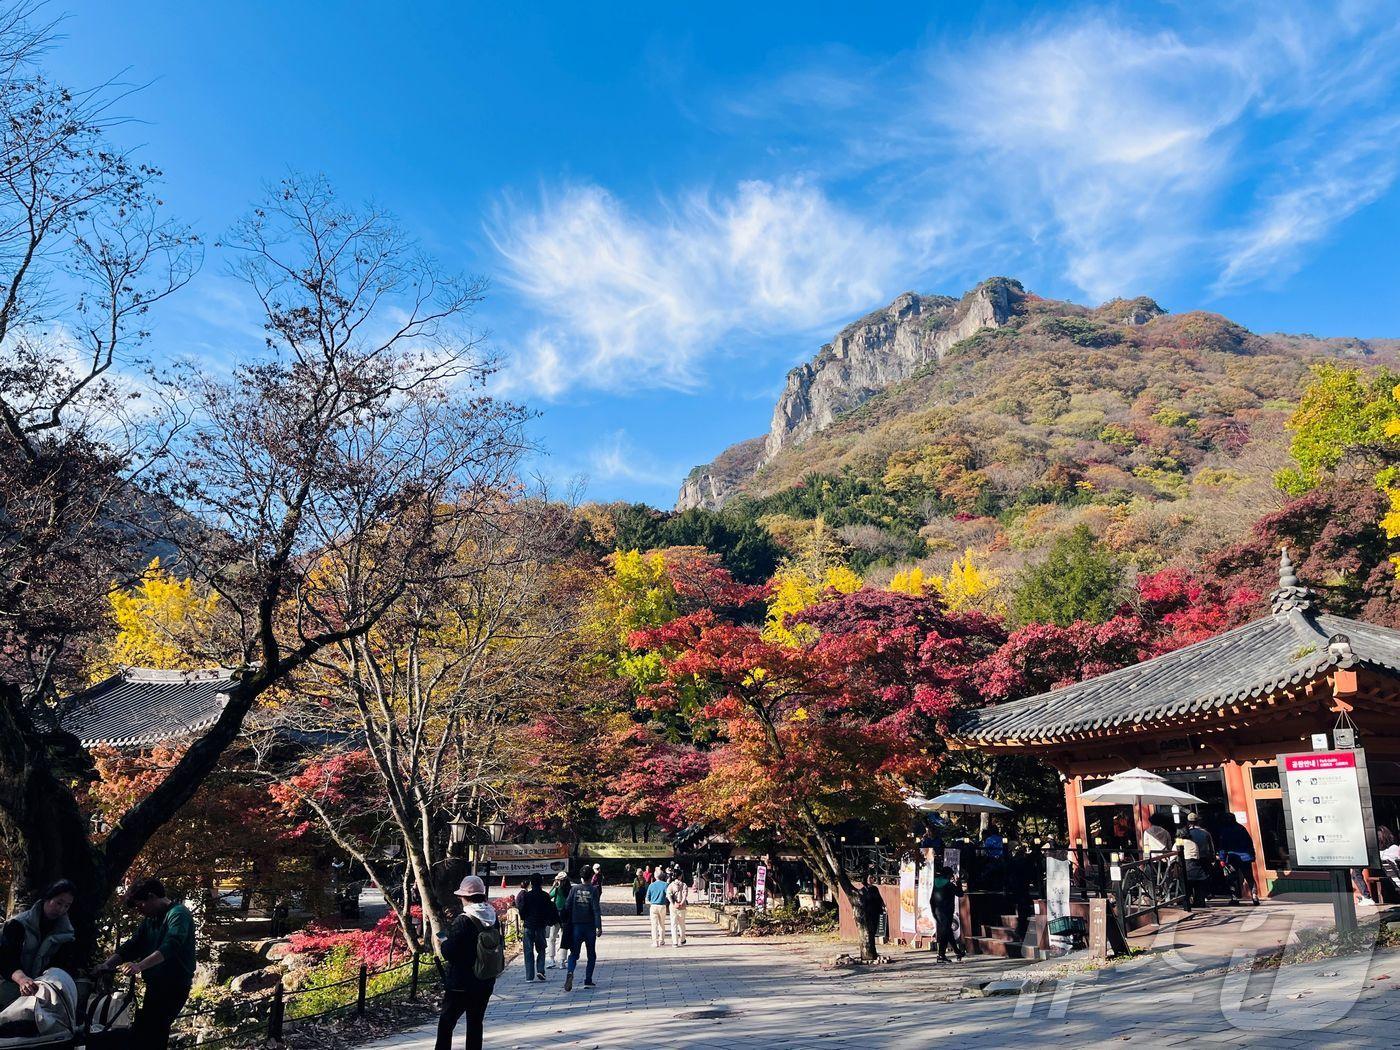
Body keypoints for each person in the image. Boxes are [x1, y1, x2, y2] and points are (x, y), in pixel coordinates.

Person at [96, 878, 196, 1049]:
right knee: (144, 1032)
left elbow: (171, 945)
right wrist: (108, 964)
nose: (139, 911)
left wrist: (139, 966)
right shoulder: (151, 919)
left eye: (140, 905)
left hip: (174, 986)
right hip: (155, 985)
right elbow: (133, 945)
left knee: (154, 1031)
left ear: (151, 897)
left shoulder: (178, 914)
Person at [436, 875, 503, 1050]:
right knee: (475, 1023)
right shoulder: (493, 917)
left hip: (461, 982)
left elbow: (450, 952)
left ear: (465, 897)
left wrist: (443, 941)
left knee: (446, 1023)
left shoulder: (463, 920)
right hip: (485, 979)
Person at [0, 880, 77, 1010]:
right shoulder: (17, 924)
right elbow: (6, 959)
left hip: (40, 990)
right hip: (9, 984)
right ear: (47, 898)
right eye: (58, 903)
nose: (61, 909)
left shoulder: (66, 934)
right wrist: (22, 979)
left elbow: (61, 966)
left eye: (67, 906)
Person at [562, 870, 602, 991]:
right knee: (591, 954)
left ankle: (570, 972)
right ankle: (588, 980)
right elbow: (596, 909)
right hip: (589, 926)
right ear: (591, 877)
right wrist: (598, 926)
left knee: (574, 953)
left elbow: (567, 905)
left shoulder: (574, 889)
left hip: (576, 925)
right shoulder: (593, 890)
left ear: (581, 877)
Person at [515, 873, 555, 983]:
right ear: (541, 882)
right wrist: (548, 921)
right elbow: (549, 910)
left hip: (528, 925)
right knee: (541, 948)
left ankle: (529, 976)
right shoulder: (545, 896)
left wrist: (524, 918)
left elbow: (522, 910)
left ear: (531, 883)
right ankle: (541, 970)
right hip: (541, 926)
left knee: (528, 951)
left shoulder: (526, 896)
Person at [1216, 813, 1259, 906]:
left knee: (1232, 878)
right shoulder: (1241, 828)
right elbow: (1249, 843)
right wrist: (1252, 855)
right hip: (1245, 857)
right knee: (1249, 877)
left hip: (1232, 858)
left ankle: (1234, 898)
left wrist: (1222, 858)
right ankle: (1254, 895)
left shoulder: (1225, 831)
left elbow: (1223, 846)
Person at [1177, 812, 1216, 907]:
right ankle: (1202, 898)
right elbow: (1211, 847)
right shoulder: (1205, 833)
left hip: (1189, 859)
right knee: (1202, 880)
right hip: (1204, 858)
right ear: (1198, 821)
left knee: (1191, 880)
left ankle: (1192, 900)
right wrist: (1213, 858)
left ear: (1188, 822)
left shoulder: (1186, 834)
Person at [930, 867, 964, 962]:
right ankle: (941, 956)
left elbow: (931, 898)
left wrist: (933, 911)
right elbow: (960, 893)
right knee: (945, 933)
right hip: (946, 912)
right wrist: (958, 882)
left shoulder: (935, 883)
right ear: (949, 875)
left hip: (937, 911)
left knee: (948, 932)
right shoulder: (949, 885)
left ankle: (957, 952)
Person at [857, 870, 885, 961]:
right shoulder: (862, 891)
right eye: (870, 877)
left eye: (873, 877)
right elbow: (860, 904)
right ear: (866, 879)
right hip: (867, 914)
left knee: (873, 931)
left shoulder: (875, 889)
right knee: (869, 931)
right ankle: (868, 951)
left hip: (875, 912)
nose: (872, 879)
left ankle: (873, 950)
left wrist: (883, 906)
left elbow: (880, 899)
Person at [547, 871, 571, 967]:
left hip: (556, 914)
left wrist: (553, 886)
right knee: (563, 937)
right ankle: (562, 961)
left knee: (552, 937)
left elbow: (548, 896)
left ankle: (552, 959)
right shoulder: (570, 890)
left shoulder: (557, 889)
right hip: (566, 915)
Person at [645, 866, 671, 948]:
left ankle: (655, 942)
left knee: (654, 925)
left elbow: (647, 897)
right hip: (662, 906)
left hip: (653, 906)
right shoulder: (666, 885)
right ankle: (662, 940)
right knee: (662, 924)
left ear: (655, 877)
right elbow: (668, 895)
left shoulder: (651, 885)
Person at [666, 868, 690, 947]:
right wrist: (681, 903)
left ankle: (675, 942)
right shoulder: (684, 885)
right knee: (682, 924)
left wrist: (673, 903)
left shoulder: (671, 885)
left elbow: (668, 895)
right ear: (680, 876)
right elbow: (685, 896)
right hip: (682, 907)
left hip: (673, 907)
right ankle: (682, 939)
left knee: (673, 924)